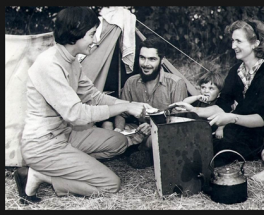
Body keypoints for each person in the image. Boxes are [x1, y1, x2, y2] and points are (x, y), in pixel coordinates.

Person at [13, 7, 152, 205]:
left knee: (119, 142)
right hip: (43, 145)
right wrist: (123, 108)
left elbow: (93, 96)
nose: (95, 40)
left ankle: (72, 162)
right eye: (91, 35)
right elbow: (76, 114)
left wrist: (129, 104)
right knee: (110, 184)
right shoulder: (49, 65)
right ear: (74, 33)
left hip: (65, 135)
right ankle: (40, 176)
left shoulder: (72, 62)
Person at [173, 19, 264, 166]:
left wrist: (231, 118)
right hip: (233, 131)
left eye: (238, 41)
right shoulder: (235, 71)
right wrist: (194, 110)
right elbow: (222, 106)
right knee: (193, 144)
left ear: (256, 43)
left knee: (202, 156)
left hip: (254, 139)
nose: (233, 46)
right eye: (232, 41)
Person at [103, 34, 188, 169]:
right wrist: (119, 129)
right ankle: (140, 151)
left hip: (162, 131)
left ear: (162, 60)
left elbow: (178, 121)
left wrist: (153, 127)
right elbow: (122, 112)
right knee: (108, 128)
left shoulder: (176, 84)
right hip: (137, 130)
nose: (146, 64)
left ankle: (141, 152)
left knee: (161, 138)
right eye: (142, 58)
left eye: (152, 59)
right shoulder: (131, 82)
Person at [180, 70, 226, 139]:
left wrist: (220, 129)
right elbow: (184, 103)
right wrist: (196, 97)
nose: (206, 91)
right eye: (203, 87)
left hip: (211, 133)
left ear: (218, 94)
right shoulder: (199, 100)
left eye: (211, 88)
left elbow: (224, 117)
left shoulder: (218, 104)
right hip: (197, 130)